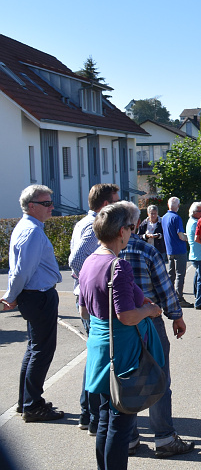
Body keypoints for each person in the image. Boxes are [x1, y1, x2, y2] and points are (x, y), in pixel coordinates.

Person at [79, 202, 161, 470]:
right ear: (121, 232)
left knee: (104, 419)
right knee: (120, 423)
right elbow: (126, 315)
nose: (131, 231)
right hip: (122, 348)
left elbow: (86, 306)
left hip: (100, 345)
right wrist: (149, 311)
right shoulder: (118, 265)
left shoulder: (90, 261)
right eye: (129, 227)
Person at [122, 203, 196, 459]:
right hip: (149, 322)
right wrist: (176, 316)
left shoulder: (105, 253)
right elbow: (165, 288)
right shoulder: (146, 250)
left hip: (120, 325)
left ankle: (130, 439)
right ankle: (163, 437)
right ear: (135, 223)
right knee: (159, 378)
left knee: (127, 380)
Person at [1, 185, 64, 422]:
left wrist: (13, 294)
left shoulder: (29, 227)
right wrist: (11, 296)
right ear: (31, 206)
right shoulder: (33, 232)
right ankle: (32, 405)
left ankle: (26, 401)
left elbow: (20, 271)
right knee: (41, 350)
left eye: (50, 202)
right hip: (38, 296)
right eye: (46, 204)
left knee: (34, 349)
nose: (51, 207)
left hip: (36, 295)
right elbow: (20, 272)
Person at [69, 183, 121, 432]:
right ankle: (92, 416)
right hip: (93, 301)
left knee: (96, 358)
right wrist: (94, 281)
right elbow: (77, 261)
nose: (120, 204)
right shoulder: (93, 225)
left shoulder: (86, 222)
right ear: (105, 205)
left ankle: (87, 414)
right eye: (116, 200)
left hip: (88, 299)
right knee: (99, 360)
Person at [161, 197, 190, 307]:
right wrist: (189, 238)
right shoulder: (176, 218)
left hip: (169, 249)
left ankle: (169, 295)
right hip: (179, 249)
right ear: (177, 206)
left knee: (171, 274)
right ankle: (179, 297)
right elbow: (181, 235)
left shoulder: (164, 217)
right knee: (180, 274)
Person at [186, 202, 201, 311]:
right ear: (194, 212)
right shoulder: (196, 223)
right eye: (200, 211)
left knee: (199, 279)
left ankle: (198, 301)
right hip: (199, 255)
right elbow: (200, 238)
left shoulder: (191, 221)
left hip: (195, 254)